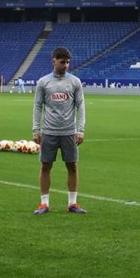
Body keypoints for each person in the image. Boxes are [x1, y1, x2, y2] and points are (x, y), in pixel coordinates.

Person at [32, 47, 86, 215]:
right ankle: (44, 204)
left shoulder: (75, 82)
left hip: (69, 132)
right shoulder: (43, 82)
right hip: (49, 131)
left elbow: (80, 106)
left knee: (72, 166)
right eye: (62, 62)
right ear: (54, 60)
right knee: (46, 166)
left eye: (68, 62)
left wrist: (81, 130)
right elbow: (38, 106)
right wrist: (36, 129)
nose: (66, 66)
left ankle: (72, 203)